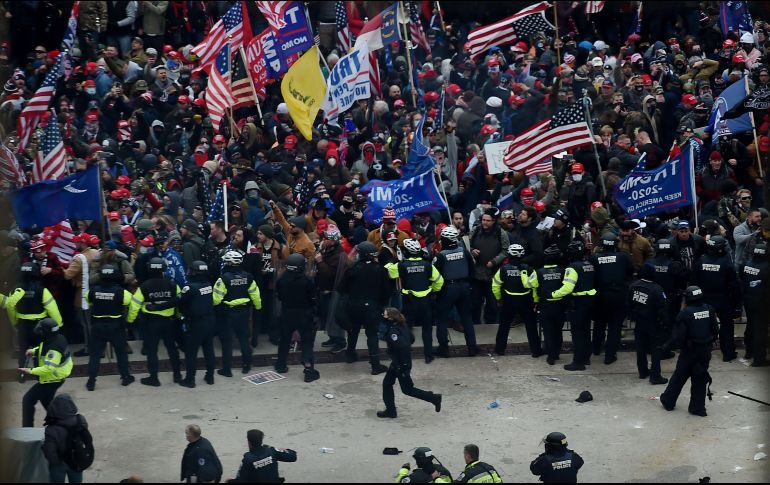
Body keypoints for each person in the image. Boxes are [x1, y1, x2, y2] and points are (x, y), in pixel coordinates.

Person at [659, 286, 719, 416]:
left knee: (679, 377)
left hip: (689, 351)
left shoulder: (685, 313)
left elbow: (678, 336)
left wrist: (665, 347)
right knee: (700, 378)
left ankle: (668, 401)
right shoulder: (709, 309)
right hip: (704, 351)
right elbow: (715, 330)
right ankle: (697, 408)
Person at [385, 238, 444, 364]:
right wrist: (433, 290)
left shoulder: (402, 265)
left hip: (409, 301)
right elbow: (439, 280)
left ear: (406, 251)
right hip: (426, 302)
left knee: (405, 327)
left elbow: (389, 271)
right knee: (427, 329)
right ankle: (428, 355)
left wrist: (395, 260)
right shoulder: (427, 265)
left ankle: (406, 352)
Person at [377, 307, 442, 418]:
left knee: (407, 389)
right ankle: (390, 410)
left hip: (401, 364)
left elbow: (402, 346)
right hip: (400, 362)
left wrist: (395, 354)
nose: (383, 316)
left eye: (385, 315)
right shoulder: (402, 325)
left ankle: (433, 398)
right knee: (387, 384)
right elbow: (411, 339)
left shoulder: (393, 331)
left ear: (391, 318)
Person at [127, 257, 182, 386]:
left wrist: (130, 321)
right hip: (169, 322)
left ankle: (154, 378)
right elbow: (180, 303)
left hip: (151, 323)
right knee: (172, 349)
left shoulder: (144, 287)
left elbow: (134, 306)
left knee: (152, 351)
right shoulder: (172, 285)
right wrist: (178, 316)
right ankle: (177, 375)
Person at [339, 241, 390, 375]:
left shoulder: (352, 270)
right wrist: (381, 305)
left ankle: (350, 355)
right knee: (372, 335)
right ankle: (375, 365)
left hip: (354, 305)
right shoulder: (381, 270)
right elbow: (386, 291)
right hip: (372, 307)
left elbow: (342, 288)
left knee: (353, 331)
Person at [690, 235, 740, 362]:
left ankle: (702, 353)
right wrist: (736, 303)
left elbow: (693, 281)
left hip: (704, 300)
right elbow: (734, 285)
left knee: (703, 327)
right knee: (727, 327)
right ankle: (728, 353)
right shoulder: (726, 263)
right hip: (723, 300)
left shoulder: (700, 261)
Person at [4, 262, 63, 368]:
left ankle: (21, 374)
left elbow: (10, 307)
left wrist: (14, 322)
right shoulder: (42, 290)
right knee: (39, 350)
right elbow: (52, 309)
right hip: (39, 326)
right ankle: (38, 372)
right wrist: (58, 323)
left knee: (23, 350)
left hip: (22, 325)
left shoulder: (15, 290)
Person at [85, 264, 135, 391]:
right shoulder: (121, 292)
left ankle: (91, 381)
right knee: (121, 353)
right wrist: (129, 321)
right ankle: (125, 377)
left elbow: (89, 302)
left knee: (95, 355)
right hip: (116, 326)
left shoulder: (92, 291)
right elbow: (132, 304)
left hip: (97, 326)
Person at [213, 251, 262, 376]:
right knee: (244, 339)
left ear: (229, 263)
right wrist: (258, 307)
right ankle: (246, 365)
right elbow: (255, 295)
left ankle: (227, 370)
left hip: (228, 314)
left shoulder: (223, 279)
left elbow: (216, 299)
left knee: (227, 342)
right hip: (244, 313)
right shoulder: (248, 276)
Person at [19, 318, 73, 427]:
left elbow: (49, 368)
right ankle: (62, 425)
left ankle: (27, 431)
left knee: (28, 400)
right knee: (47, 402)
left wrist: (30, 371)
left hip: (52, 379)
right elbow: (44, 348)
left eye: (41, 330)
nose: (39, 331)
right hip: (54, 378)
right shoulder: (57, 338)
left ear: (47, 332)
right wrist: (34, 351)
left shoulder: (54, 349)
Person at [274, 254, 320, 382]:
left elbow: (280, 296)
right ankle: (309, 369)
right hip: (304, 314)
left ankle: (281, 365)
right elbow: (313, 298)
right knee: (307, 342)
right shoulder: (306, 281)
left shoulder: (282, 280)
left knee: (284, 340)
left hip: (287, 313)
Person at [434, 226, 478, 357]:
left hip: (447, 289)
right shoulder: (464, 252)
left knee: (442, 319)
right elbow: (472, 269)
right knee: (467, 319)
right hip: (464, 287)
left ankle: (444, 349)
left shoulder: (441, 256)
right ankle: (472, 348)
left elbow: (435, 274)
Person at [590, 234, 633, 364]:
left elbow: (592, 276)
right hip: (619, 295)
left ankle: (596, 348)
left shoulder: (594, 258)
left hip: (601, 296)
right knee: (615, 327)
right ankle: (610, 355)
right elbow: (630, 271)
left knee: (599, 324)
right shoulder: (623, 257)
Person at [524, 245, 568, 365]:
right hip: (560, 305)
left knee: (548, 330)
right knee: (558, 330)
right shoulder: (563, 271)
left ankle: (551, 355)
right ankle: (556, 353)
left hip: (545, 305)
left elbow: (529, 284)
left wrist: (523, 273)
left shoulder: (538, 272)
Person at [492, 244, 538, 357]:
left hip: (509, 300)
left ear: (509, 255)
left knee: (504, 325)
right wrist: (536, 300)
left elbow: (495, 286)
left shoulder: (503, 269)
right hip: (526, 300)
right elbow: (535, 286)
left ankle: (500, 349)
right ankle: (536, 350)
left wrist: (498, 298)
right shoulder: (529, 269)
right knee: (531, 326)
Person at [627, 264, 669, 385]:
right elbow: (663, 309)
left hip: (639, 322)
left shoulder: (633, 286)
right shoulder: (657, 289)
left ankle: (643, 371)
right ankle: (655, 376)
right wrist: (666, 324)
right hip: (653, 323)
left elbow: (629, 304)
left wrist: (633, 317)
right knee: (656, 349)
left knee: (640, 348)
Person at [178, 261, 218, 387]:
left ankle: (190, 380)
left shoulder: (189, 288)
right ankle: (210, 377)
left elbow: (179, 302)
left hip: (195, 323)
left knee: (191, 353)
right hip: (210, 321)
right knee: (209, 349)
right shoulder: (208, 285)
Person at [558, 240, 596, 371]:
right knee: (586, 331)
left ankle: (578, 362)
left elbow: (568, 288)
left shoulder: (572, 268)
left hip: (578, 302)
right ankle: (586, 358)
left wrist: (553, 294)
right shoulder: (589, 264)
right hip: (590, 301)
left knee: (577, 333)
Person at [43, 393, 89, 484]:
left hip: (59, 463)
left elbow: (50, 452)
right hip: (77, 459)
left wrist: (56, 462)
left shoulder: (51, 429)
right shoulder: (81, 420)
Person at [739, 244, 769, 367]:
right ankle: (759, 359)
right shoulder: (767, 268)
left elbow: (741, 279)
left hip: (748, 300)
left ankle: (749, 352)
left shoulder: (745, 265)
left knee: (750, 326)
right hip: (762, 303)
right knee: (760, 330)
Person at [230, 429, 297, 483]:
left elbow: (240, 480)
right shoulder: (271, 451)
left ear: (249, 442)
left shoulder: (248, 459)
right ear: (261, 440)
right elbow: (293, 456)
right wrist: (282, 450)